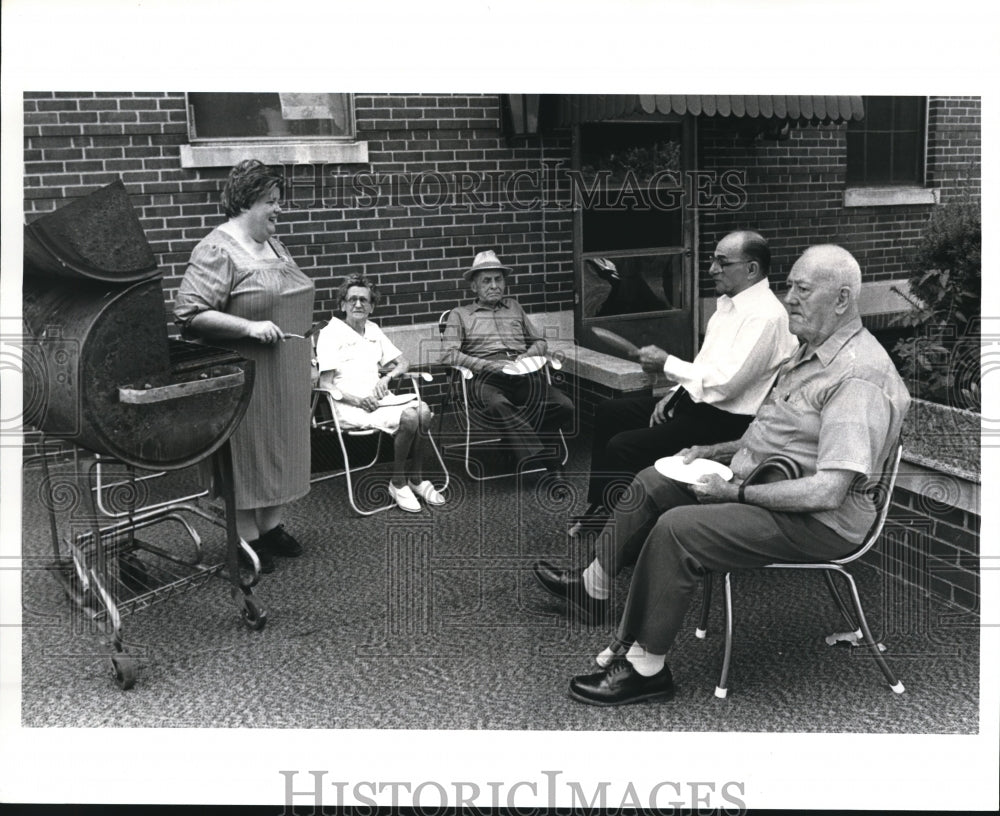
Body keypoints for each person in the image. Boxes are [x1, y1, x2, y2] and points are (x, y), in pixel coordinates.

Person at [535, 244, 911, 706]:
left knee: (678, 529)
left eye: (803, 289)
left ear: (842, 299)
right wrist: (715, 449)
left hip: (819, 523)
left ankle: (645, 668)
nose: (789, 297)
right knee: (654, 480)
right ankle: (593, 587)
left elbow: (830, 491)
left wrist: (736, 492)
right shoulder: (813, 350)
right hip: (771, 485)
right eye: (789, 285)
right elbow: (777, 436)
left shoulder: (857, 377)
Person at [572, 230, 798, 535]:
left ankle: (623, 531)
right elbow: (706, 365)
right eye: (712, 260)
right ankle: (604, 506)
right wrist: (674, 395)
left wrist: (666, 363)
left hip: (725, 421)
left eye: (722, 262)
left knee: (624, 446)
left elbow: (728, 383)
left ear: (751, 269)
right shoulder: (729, 306)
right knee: (611, 411)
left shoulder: (767, 317)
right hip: (698, 404)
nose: (711, 269)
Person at [174, 159, 314, 574]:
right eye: (271, 201)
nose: (279, 209)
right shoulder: (217, 249)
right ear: (246, 201)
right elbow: (190, 314)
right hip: (246, 373)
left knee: (279, 447)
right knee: (248, 452)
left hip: (286, 371)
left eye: (279, 200)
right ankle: (244, 538)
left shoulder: (274, 245)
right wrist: (248, 326)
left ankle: (271, 526)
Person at [315, 275, 445, 513]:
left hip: (379, 401)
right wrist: (358, 399)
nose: (358, 305)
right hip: (349, 406)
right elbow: (326, 384)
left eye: (364, 300)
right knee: (409, 417)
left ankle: (415, 478)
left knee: (423, 412)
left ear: (372, 306)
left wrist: (386, 377)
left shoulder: (373, 329)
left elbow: (403, 362)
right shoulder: (330, 333)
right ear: (342, 304)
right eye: (352, 299)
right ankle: (397, 482)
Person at [441, 250, 573, 470]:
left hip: (523, 371)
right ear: (474, 287)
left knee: (563, 406)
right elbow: (448, 354)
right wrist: (486, 365)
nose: (494, 285)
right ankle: (550, 462)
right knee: (499, 405)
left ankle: (513, 445)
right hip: (485, 377)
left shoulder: (514, 307)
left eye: (498, 279)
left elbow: (540, 342)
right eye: (487, 281)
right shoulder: (460, 314)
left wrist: (526, 356)